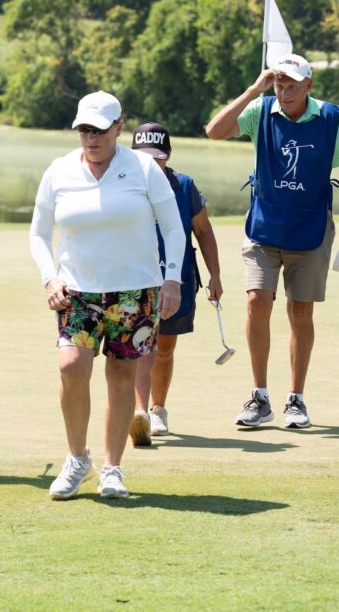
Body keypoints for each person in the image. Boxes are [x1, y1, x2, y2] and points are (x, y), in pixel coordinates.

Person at [30, 91, 186, 499]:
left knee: (121, 377)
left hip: (135, 290)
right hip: (77, 291)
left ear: (119, 127)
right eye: (84, 129)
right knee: (70, 366)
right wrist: (50, 278)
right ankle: (77, 459)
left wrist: (173, 280)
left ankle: (112, 468)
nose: (90, 138)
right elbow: (39, 233)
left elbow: (173, 227)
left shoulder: (144, 169)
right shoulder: (59, 170)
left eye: (99, 130)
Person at [205, 54, 339, 429]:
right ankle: (259, 397)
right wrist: (254, 89)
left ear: (309, 86)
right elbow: (214, 130)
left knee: (300, 311)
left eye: (292, 86)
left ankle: (296, 399)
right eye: (279, 85)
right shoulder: (261, 110)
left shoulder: (329, 119)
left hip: (310, 229)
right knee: (256, 301)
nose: (284, 92)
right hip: (264, 226)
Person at [127, 123, 222, 446]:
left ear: (167, 156)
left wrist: (215, 276)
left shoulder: (184, 187)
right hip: (134, 280)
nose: (152, 164)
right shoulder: (124, 184)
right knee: (141, 348)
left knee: (164, 349)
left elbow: (204, 232)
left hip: (177, 280)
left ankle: (158, 408)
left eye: (158, 158)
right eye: (144, 157)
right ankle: (138, 412)